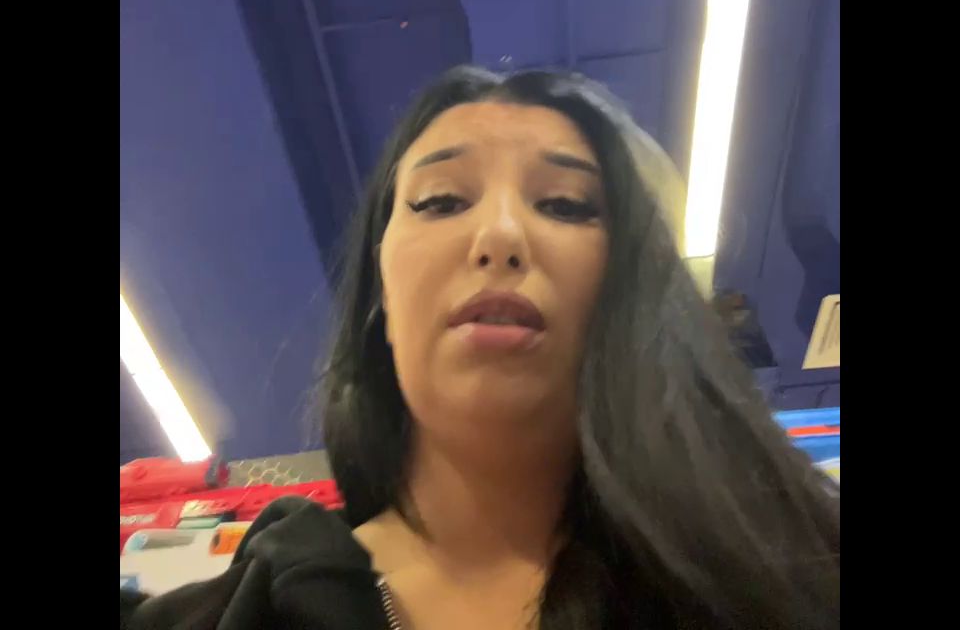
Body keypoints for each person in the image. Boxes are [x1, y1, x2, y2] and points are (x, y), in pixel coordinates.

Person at [121, 66, 840, 630]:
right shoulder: (229, 616)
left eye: (565, 205)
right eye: (440, 201)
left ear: (641, 285)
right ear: (381, 297)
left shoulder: (796, 576)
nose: (499, 234)